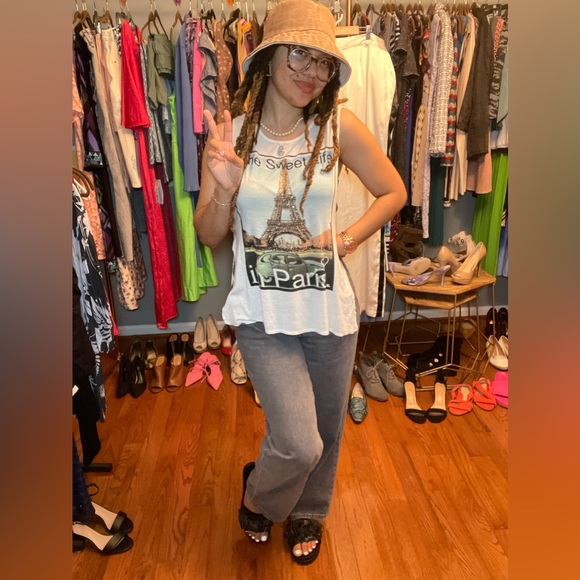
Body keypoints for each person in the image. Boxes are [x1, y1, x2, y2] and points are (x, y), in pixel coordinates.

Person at [195, 0, 406, 566]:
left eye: (323, 61)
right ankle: (261, 495)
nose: (312, 72)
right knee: (297, 439)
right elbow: (209, 234)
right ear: (268, 57)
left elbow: (395, 191)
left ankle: (310, 509)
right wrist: (223, 188)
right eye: (298, 55)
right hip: (263, 315)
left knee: (327, 430)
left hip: (330, 311)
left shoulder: (337, 127)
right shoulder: (232, 135)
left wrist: (346, 239)